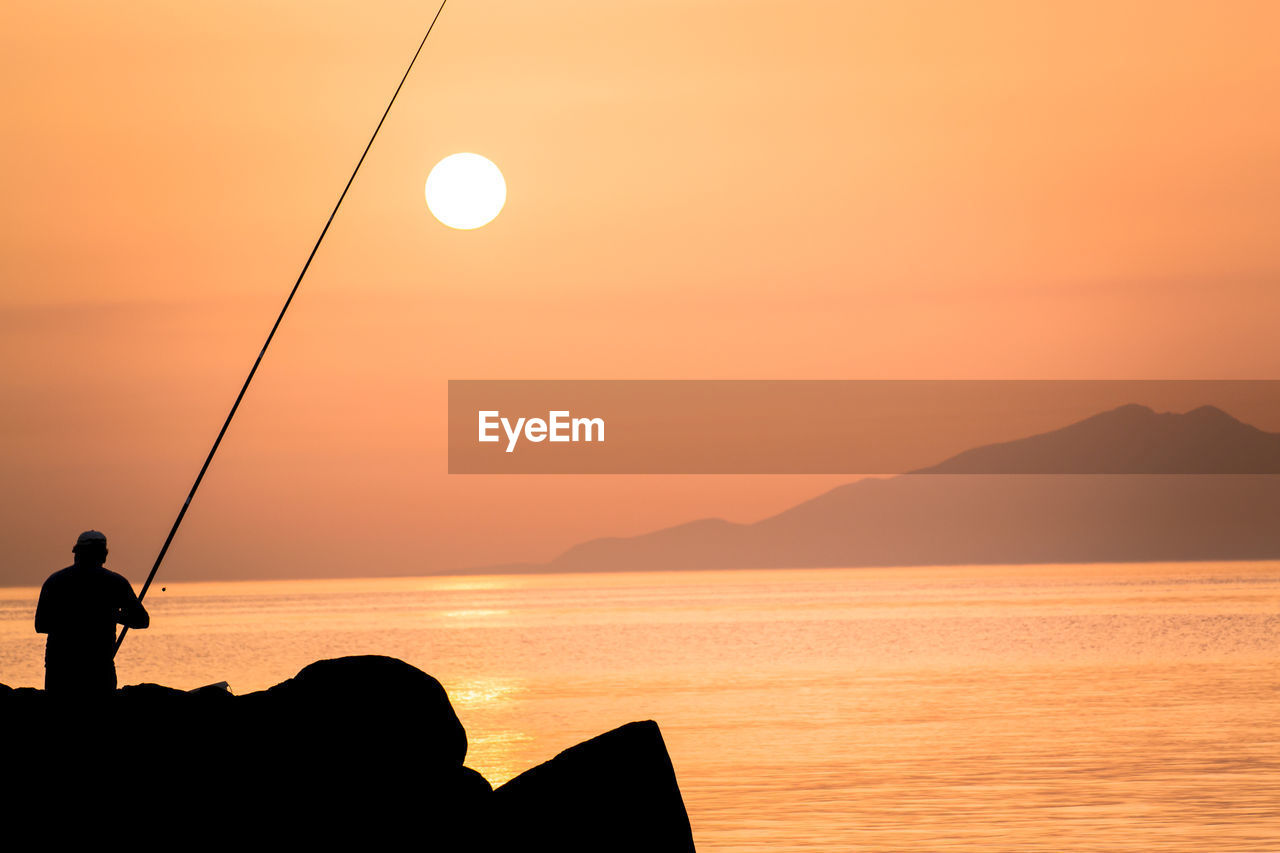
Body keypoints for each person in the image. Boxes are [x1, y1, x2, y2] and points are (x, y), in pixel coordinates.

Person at [35, 530, 150, 695]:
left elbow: (41, 625)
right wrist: (113, 615)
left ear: (77, 553)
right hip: (99, 668)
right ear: (103, 555)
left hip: (60, 669)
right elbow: (141, 620)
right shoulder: (115, 582)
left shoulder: (55, 581)